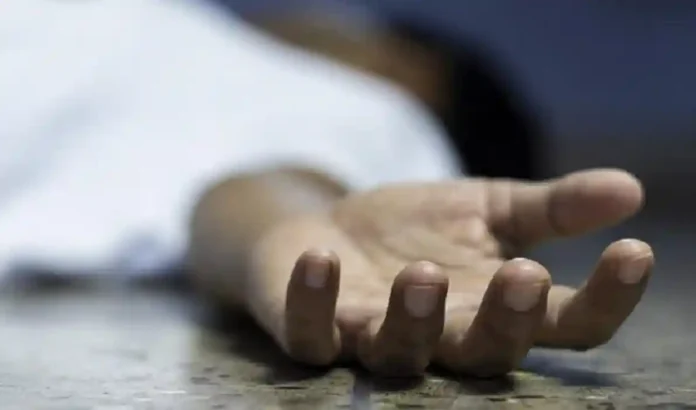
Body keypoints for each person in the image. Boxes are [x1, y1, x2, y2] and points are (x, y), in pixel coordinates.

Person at [0, 0, 652, 377]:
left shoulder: (367, 109)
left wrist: (302, 233)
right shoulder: (195, 34)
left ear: (405, 70)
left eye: (369, 31)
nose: (328, 15)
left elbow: (280, 182)